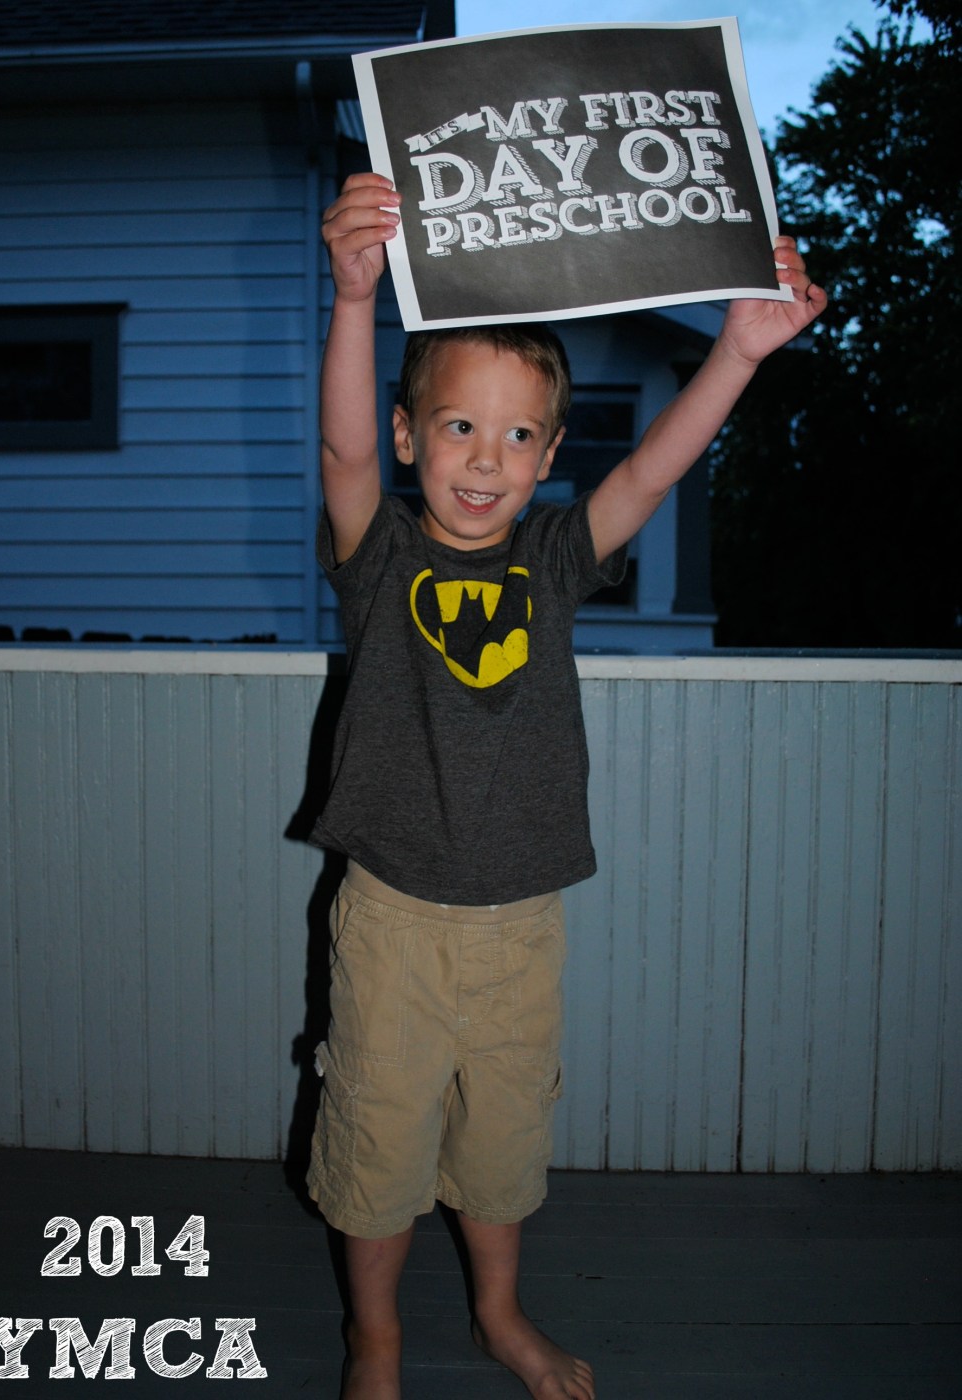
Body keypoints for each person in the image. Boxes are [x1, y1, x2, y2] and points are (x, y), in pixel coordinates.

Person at [308, 171, 827, 1400]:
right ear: (406, 435)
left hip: (521, 919)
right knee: (378, 1139)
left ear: (547, 451)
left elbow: (652, 469)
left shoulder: (551, 558)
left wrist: (742, 351)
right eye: (456, 426)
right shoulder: (377, 552)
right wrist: (351, 297)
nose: (485, 460)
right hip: (393, 920)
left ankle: (499, 1311)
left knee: (501, 1140)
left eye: (518, 433)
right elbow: (335, 447)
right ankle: (373, 1336)